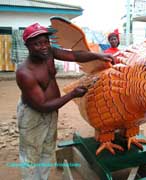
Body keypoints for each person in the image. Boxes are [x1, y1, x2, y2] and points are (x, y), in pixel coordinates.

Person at [16, 23, 114, 180]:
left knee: (48, 148)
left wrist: (98, 56)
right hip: (33, 114)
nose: (43, 47)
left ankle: (43, 178)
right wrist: (72, 94)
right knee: (30, 154)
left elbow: (75, 56)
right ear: (27, 45)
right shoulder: (25, 72)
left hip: (52, 109)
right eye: (37, 44)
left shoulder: (49, 53)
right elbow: (41, 106)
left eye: (46, 42)